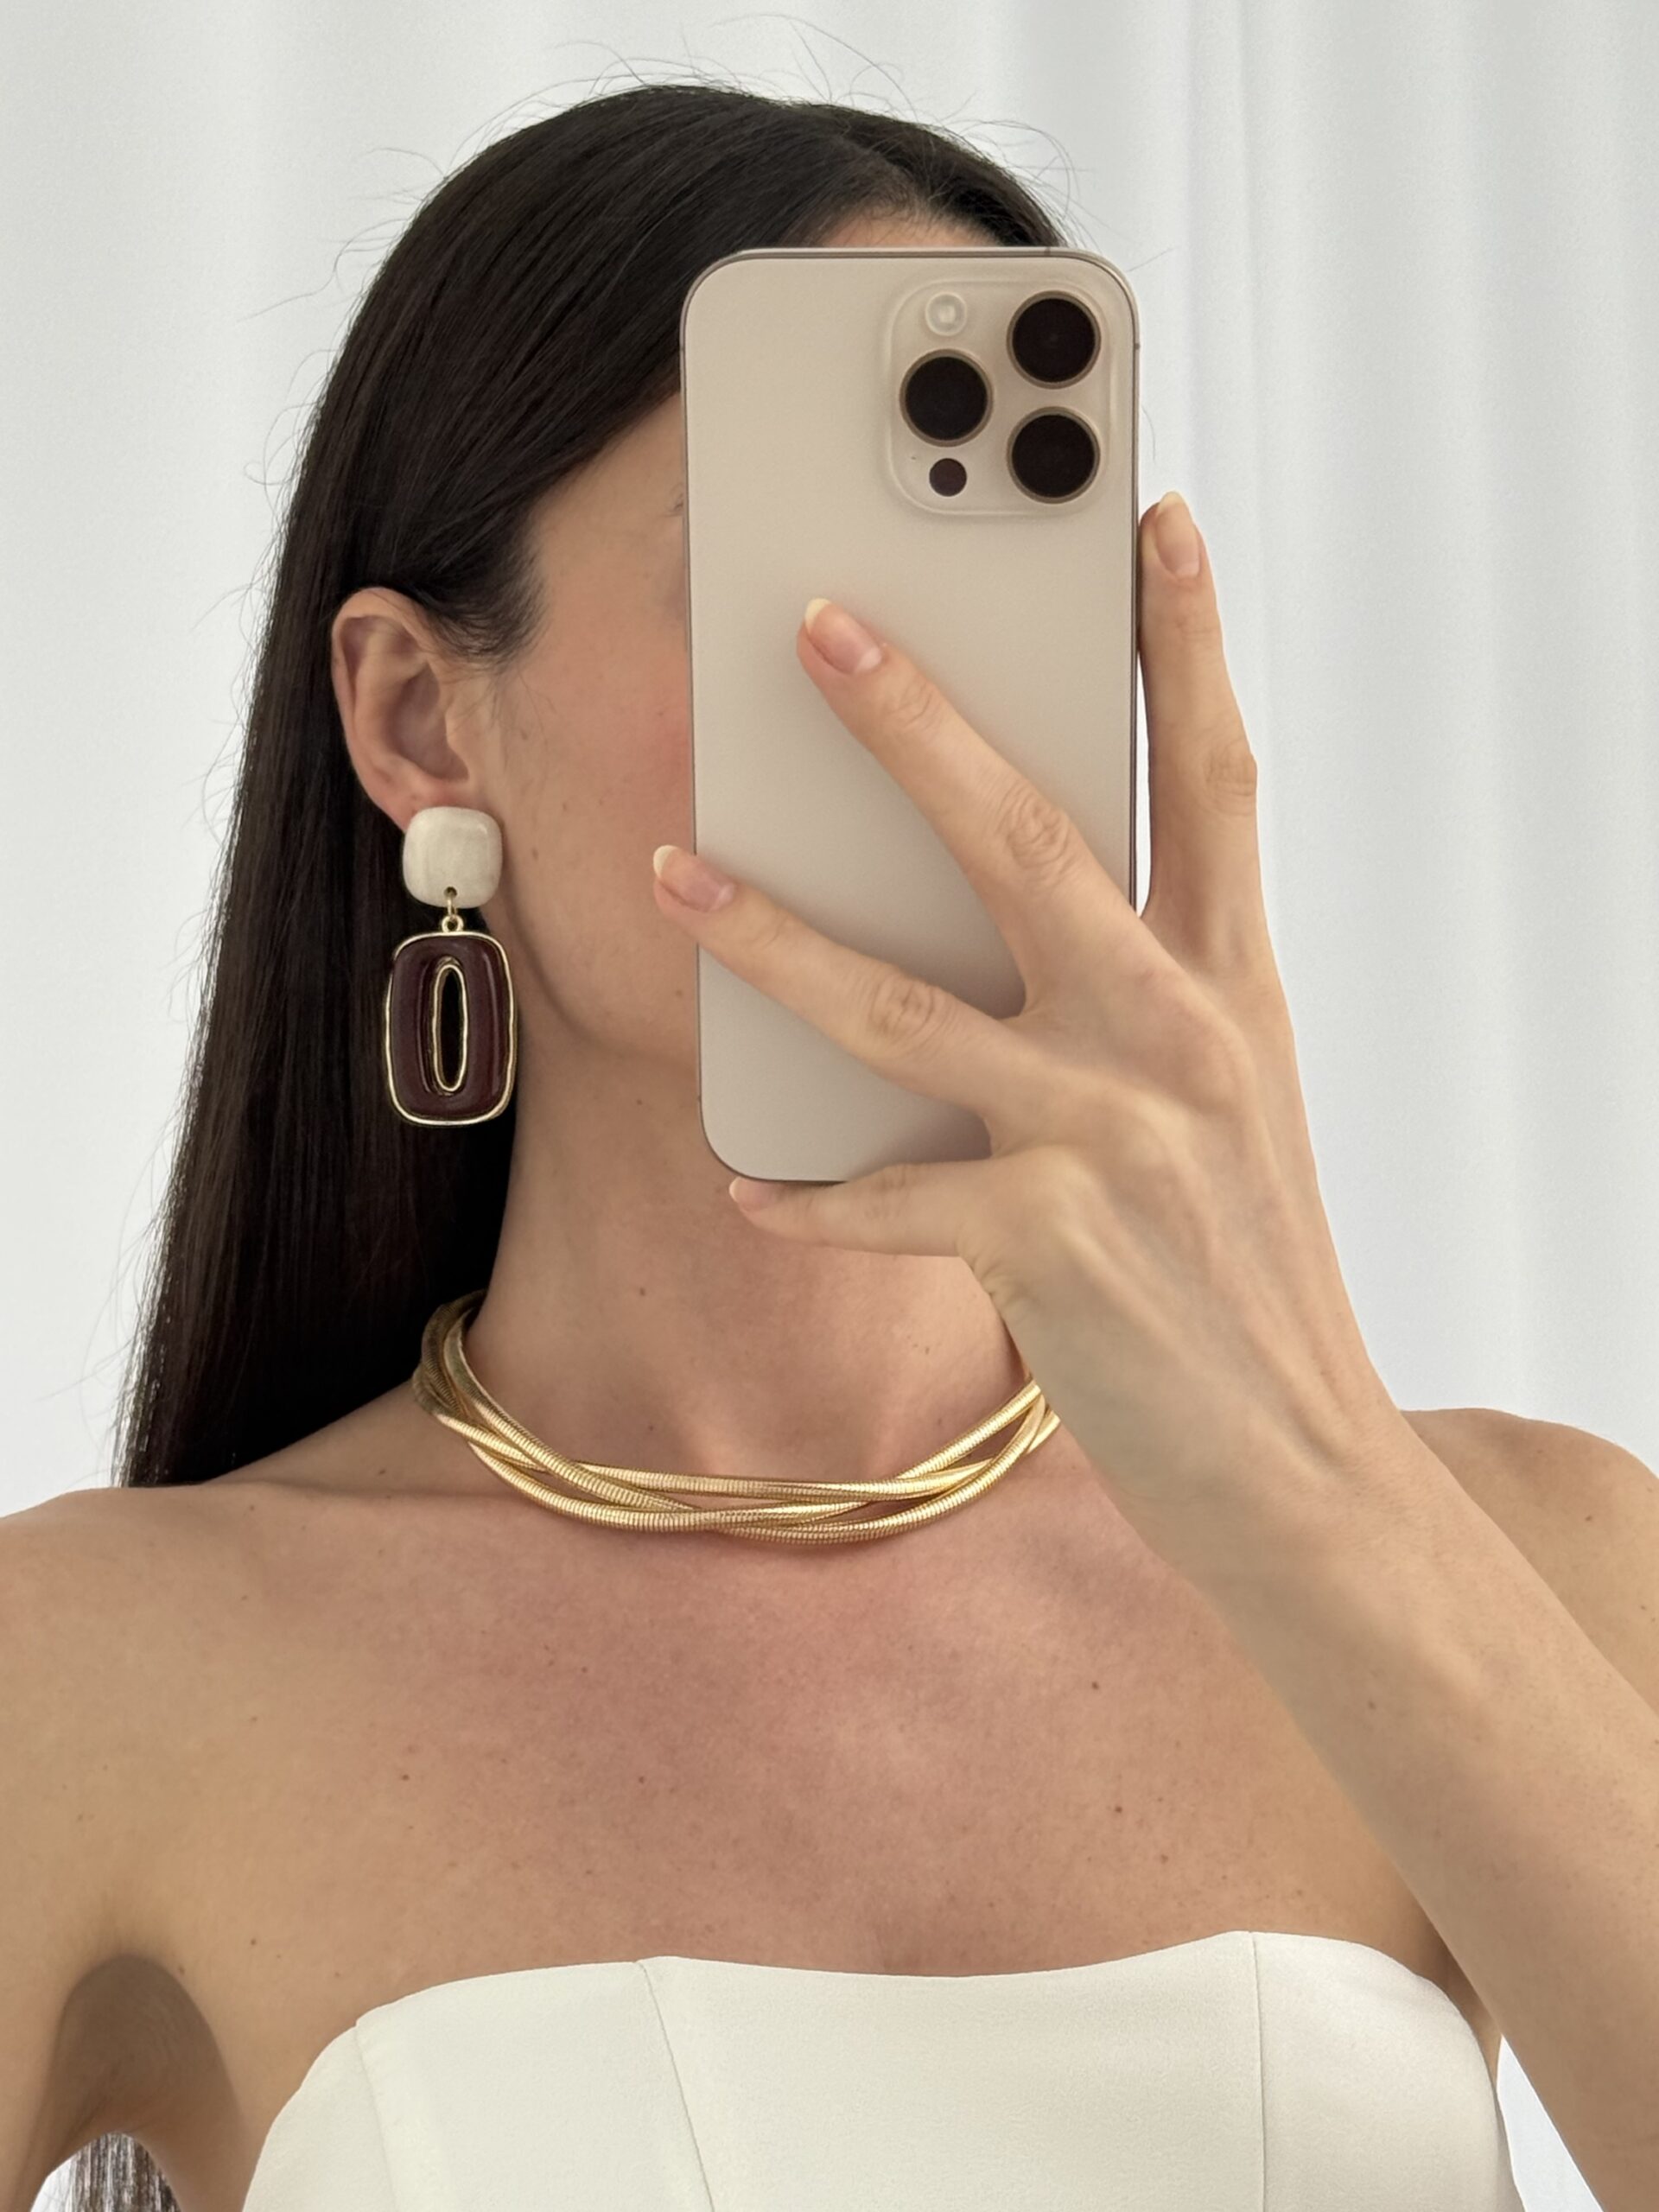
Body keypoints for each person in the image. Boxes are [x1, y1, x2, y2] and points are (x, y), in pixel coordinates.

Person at [3, 79, 1520, 2212]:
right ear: (420, 717)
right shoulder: (90, 1675)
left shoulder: (1531, 1564)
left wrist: (1310, 1458)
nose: (924, 707)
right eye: (787, 577)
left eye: (1002, 579)